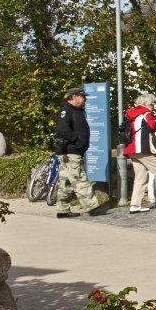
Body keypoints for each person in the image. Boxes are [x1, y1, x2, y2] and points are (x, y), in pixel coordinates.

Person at [53, 87, 107, 218]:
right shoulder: (66, 110)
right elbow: (62, 128)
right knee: (79, 178)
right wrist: (76, 140)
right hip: (71, 151)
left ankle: (62, 209)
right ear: (75, 97)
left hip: (70, 151)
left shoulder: (76, 111)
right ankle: (92, 206)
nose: (85, 99)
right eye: (83, 97)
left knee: (65, 182)